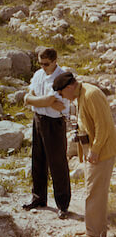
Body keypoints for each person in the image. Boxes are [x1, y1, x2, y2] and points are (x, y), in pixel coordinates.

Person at [54, 72, 116, 237]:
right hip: (94, 151)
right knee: (93, 190)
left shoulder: (91, 94)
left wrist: (95, 150)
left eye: (61, 93)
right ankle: (94, 230)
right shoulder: (82, 94)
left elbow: (102, 125)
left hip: (101, 151)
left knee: (95, 192)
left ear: (68, 87)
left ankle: (95, 234)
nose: (62, 97)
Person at [22, 48, 71, 219]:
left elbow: (48, 99)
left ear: (54, 60)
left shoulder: (61, 76)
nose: (43, 66)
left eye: (46, 64)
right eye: (40, 63)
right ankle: (39, 198)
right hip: (39, 119)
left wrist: (33, 101)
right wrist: (38, 101)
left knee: (57, 164)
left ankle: (63, 204)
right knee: (38, 160)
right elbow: (32, 94)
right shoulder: (38, 74)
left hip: (54, 122)